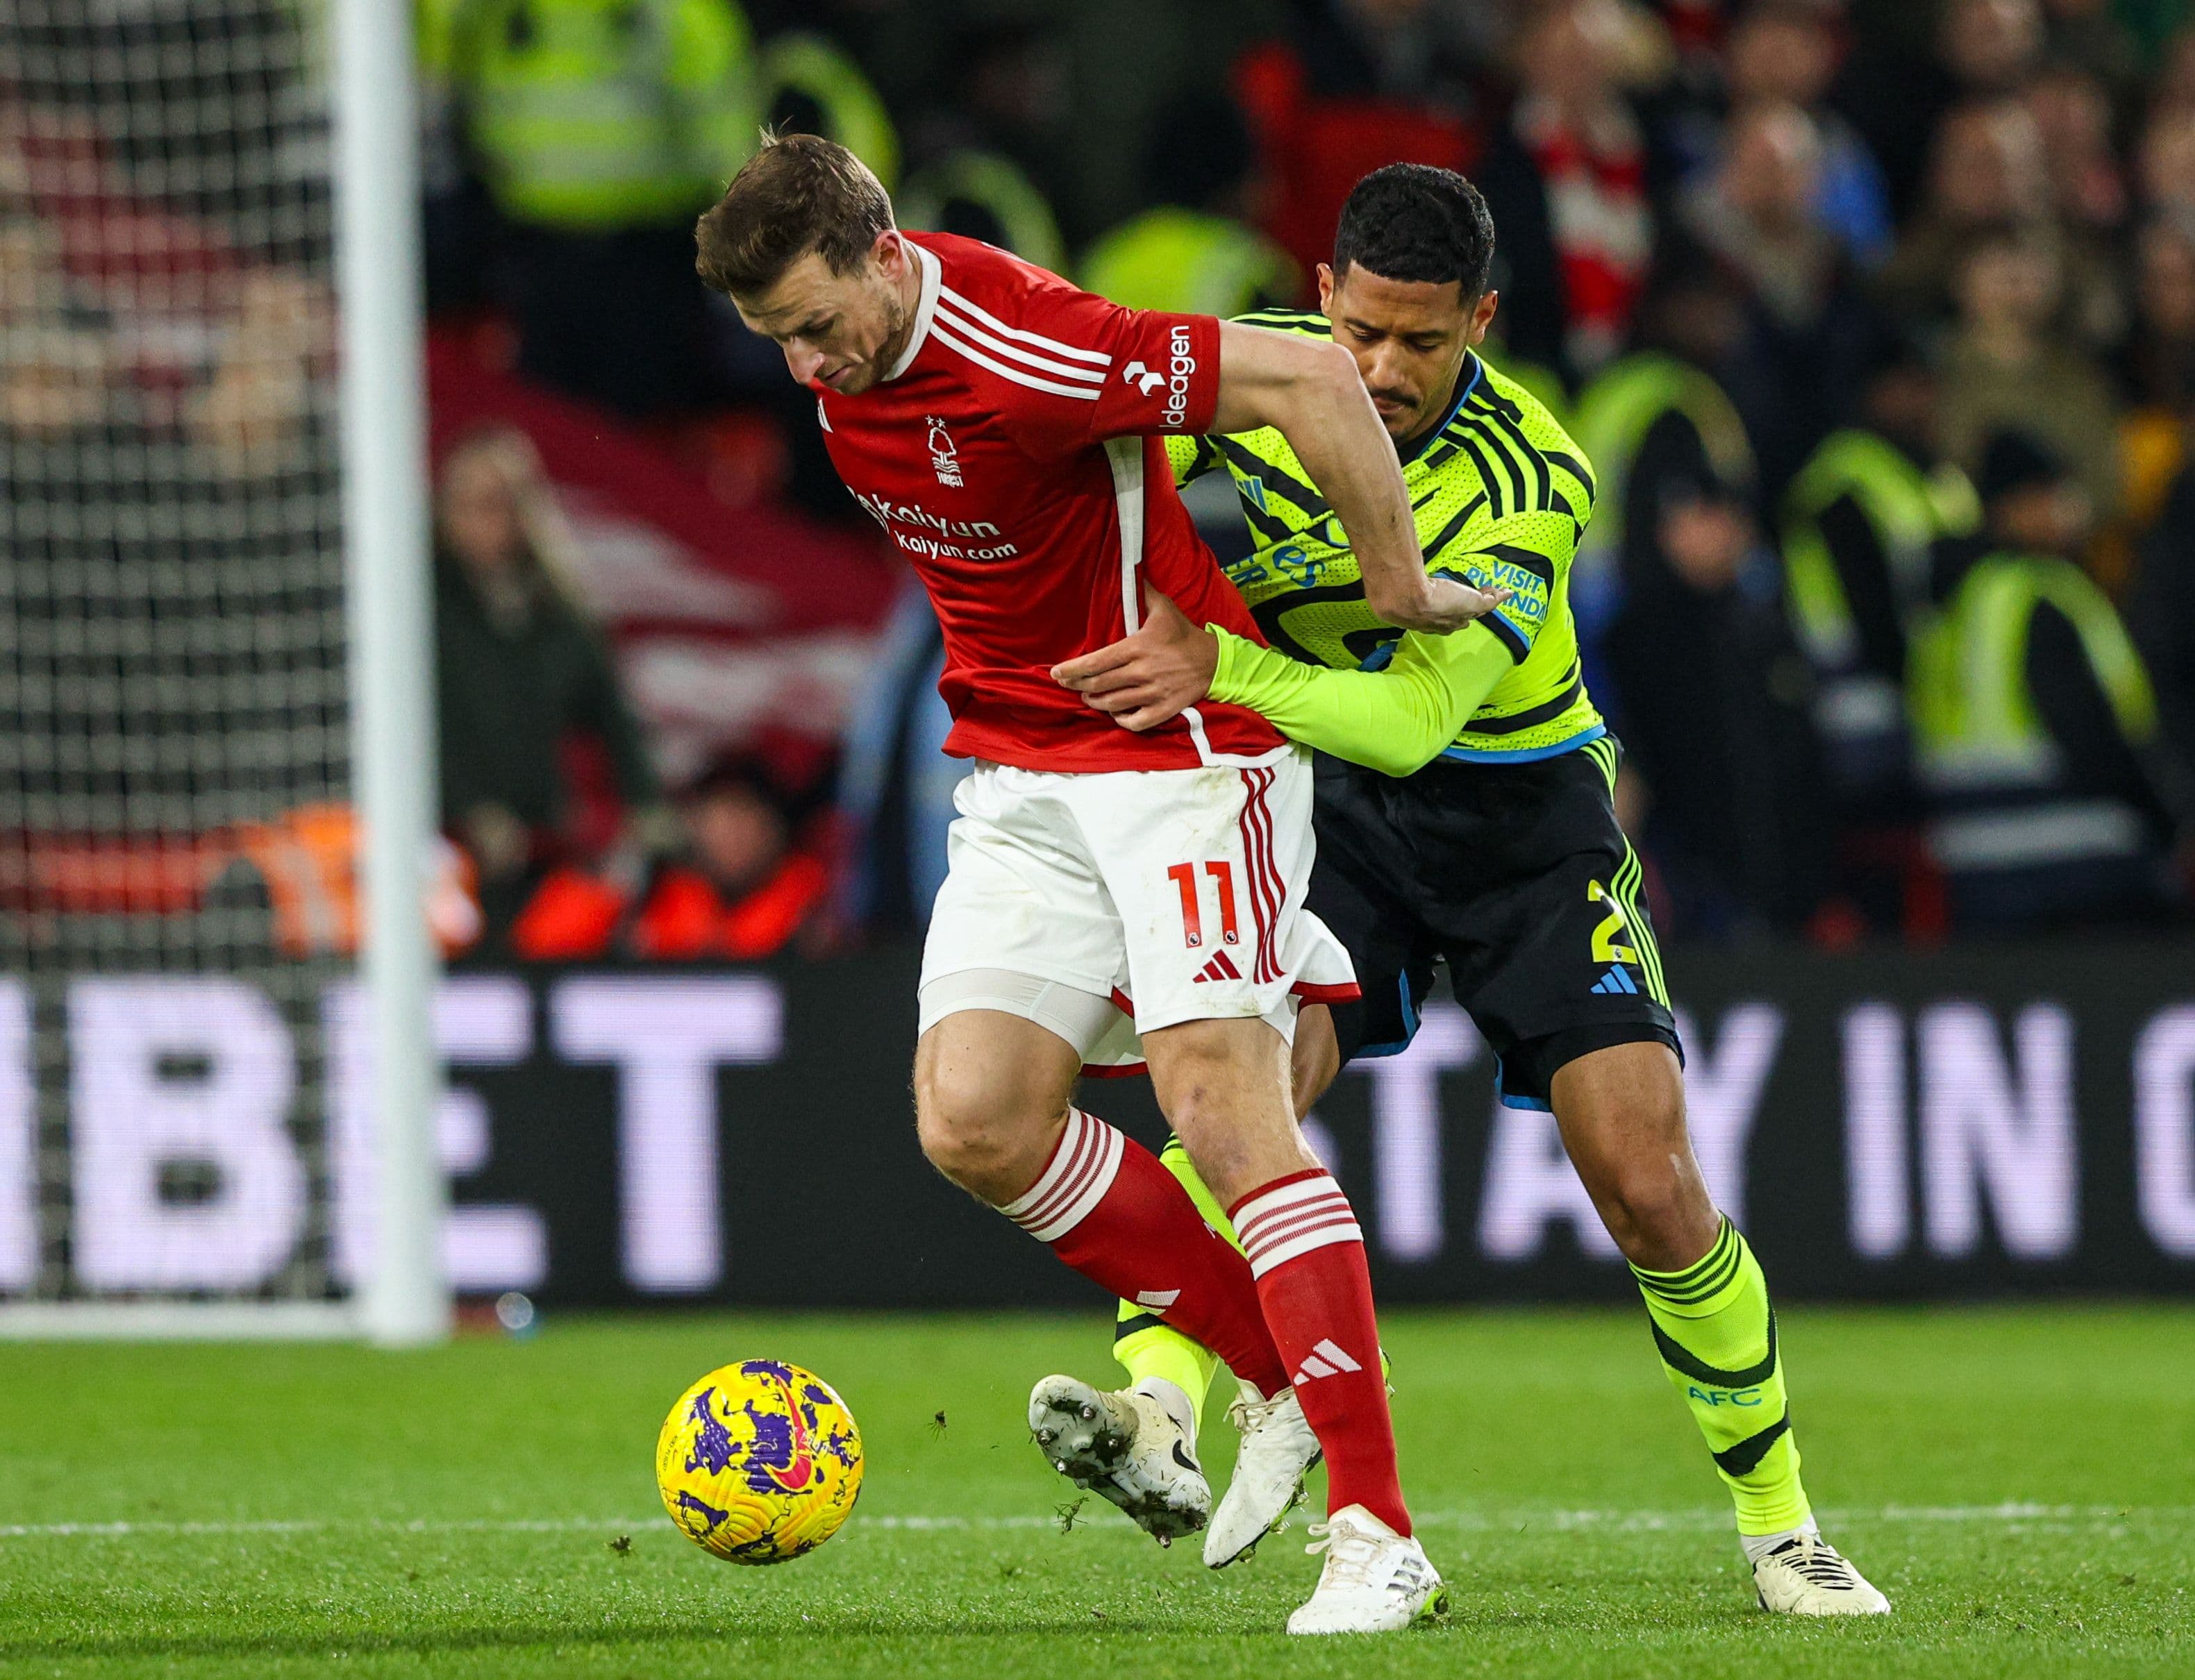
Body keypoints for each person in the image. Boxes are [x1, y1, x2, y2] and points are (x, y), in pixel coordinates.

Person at [1050, 162, 1889, 1616]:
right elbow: (1073, 442)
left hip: (1519, 822)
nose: (1379, 371)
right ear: (1319, 296)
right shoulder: (1250, 376)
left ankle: (1779, 1525)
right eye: (1359, 331)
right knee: (1241, 1085)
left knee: (1644, 1181)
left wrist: (1218, 663)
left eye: (1420, 343)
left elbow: (1411, 721)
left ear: (1481, 322)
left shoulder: (1528, 476)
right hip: (1338, 815)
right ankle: (1159, 1410)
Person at [692, 133, 1500, 1636]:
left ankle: (1379, 1537)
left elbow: (1310, 378)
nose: (806, 367)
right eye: (775, 343)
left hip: (1173, 753)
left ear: (882, 258)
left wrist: (1393, 594)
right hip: (1015, 772)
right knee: (972, 1117)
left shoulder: (1024, 345)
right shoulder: (856, 363)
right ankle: (1267, 1372)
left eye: (815, 325)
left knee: (1218, 1105)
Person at [1908, 431, 2194, 930]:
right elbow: (2090, 735)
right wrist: (2170, 821)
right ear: (2015, 506)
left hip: (1973, 867)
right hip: (2076, 866)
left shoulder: (1953, 604)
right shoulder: (2039, 594)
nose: (2072, 511)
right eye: (2057, 495)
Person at [431, 428, 674, 939]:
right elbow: (422, 728)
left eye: (501, 503)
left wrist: (645, 804)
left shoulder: (556, 613)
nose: (487, 521)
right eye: (472, 504)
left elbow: (613, 716)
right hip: (442, 850)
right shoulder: (424, 611)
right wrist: (470, 809)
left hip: (538, 841)